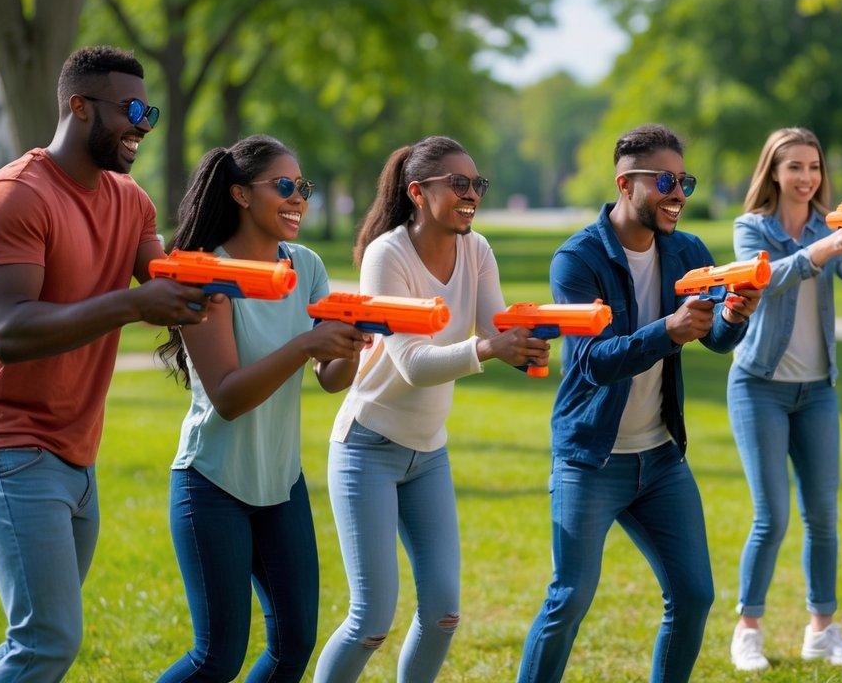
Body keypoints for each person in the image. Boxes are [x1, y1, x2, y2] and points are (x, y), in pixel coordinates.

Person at [0, 45, 209, 681]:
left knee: (39, 639)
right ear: (78, 106)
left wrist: (259, 274)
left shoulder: (130, 200)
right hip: (9, 447)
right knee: (47, 640)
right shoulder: (14, 197)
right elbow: (11, 331)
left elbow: (167, 284)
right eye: (132, 109)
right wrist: (131, 303)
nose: (144, 124)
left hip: (76, 454)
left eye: (149, 110)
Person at [517, 123, 763, 683]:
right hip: (590, 459)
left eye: (686, 181)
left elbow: (716, 340)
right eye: (667, 181)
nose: (679, 195)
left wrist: (733, 316)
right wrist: (666, 332)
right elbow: (592, 362)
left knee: (695, 595)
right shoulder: (578, 259)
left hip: (660, 460)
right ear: (626, 184)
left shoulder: (688, 251)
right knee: (570, 598)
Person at [314, 135, 548, 683]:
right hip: (366, 448)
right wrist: (492, 349)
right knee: (371, 619)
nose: (472, 194)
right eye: (459, 184)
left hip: (428, 454)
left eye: (477, 184)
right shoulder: (387, 255)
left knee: (443, 614)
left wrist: (532, 339)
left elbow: (495, 330)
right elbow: (414, 363)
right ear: (418, 192)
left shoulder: (478, 249)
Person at [155, 136, 371, 682]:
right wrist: (304, 345)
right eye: (284, 187)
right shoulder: (207, 275)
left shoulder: (307, 265)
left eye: (303, 188)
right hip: (212, 482)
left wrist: (353, 344)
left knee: (294, 644)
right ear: (240, 195)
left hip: (281, 482)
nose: (298, 198)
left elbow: (329, 379)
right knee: (217, 658)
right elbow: (227, 396)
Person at [726, 127, 842, 672]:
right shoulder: (751, 228)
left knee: (824, 517)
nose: (806, 177)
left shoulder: (826, 224)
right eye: (794, 167)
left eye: (813, 167)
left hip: (818, 391)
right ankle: (748, 630)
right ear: (773, 172)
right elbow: (762, 281)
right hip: (759, 385)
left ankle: (822, 629)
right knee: (772, 517)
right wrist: (821, 249)